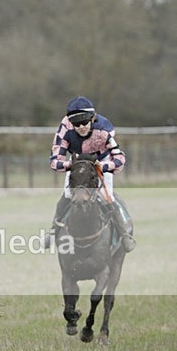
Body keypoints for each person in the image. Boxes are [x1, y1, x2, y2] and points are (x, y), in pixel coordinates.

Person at [46, 96, 136, 252]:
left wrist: (103, 166)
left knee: (107, 197)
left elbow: (120, 158)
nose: (80, 127)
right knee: (67, 194)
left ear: (92, 119)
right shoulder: (65, 130)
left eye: (84, 122)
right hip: (77, 166)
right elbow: (54, 161)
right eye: (76, 124)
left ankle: (124, 236)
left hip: (100, 163)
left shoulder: (104, 130)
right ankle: (53, 231)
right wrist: (71, 165)